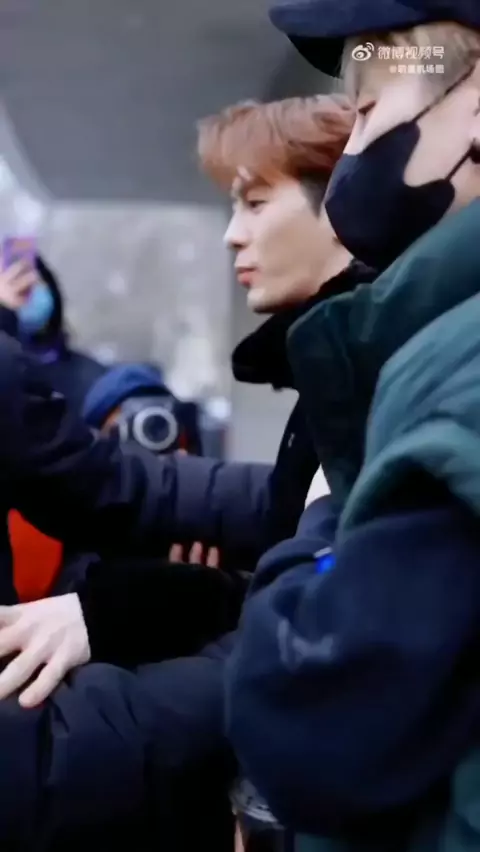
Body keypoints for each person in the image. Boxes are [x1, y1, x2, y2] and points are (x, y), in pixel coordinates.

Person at [0, 95, 372, 848]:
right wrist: (139, 611)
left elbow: (347, 611)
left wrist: (127, 612)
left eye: (255, 203)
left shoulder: (389, 381)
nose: (232, 234)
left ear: (344, 208)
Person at [226, 2, 480, 850]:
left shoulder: (454, 369)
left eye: (367, 110)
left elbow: (309, 720)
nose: (353, 155)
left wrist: (327, 519)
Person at [0, 253, 106, 411]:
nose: (24, 291)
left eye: (27, 277)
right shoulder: (10, 378)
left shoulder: (93, 377)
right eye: (11, 284)